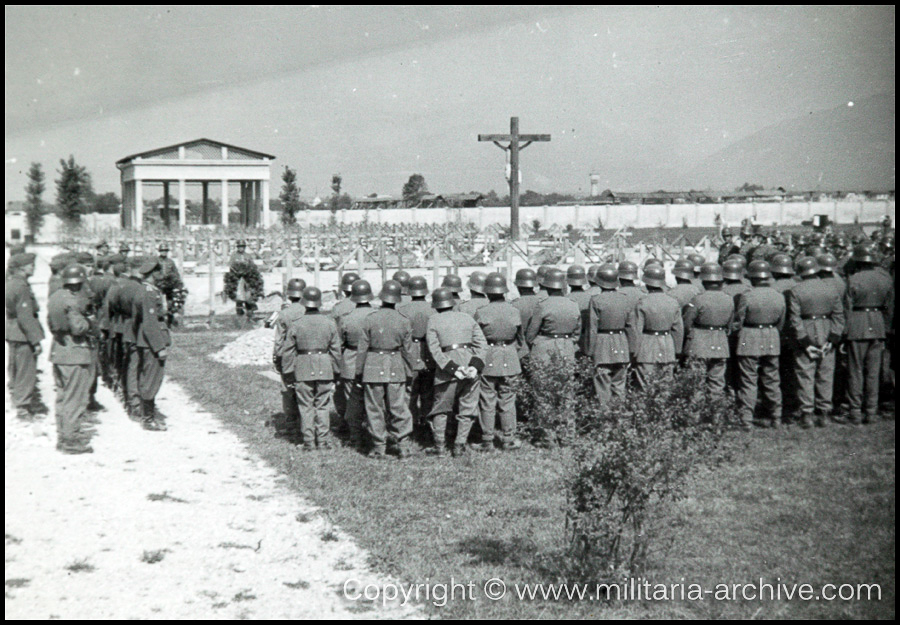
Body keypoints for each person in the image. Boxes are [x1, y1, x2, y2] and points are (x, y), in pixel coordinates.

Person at [425, 287, 487, 457]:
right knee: (467, 409)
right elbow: (481, 344)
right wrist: (474, 366)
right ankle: (459, 446)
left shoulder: (433, 320)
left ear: (436, 305)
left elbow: (434, 350)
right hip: (470, 367)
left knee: (441, 409)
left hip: (447, 370)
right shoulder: (467, 318)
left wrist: (453, 368)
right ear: (453, 303)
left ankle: (440, 447)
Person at [356, 280, 415, 459]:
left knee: (374, 409)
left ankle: (378, 447)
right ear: (397, 299)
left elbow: (362, 349)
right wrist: (409, 372)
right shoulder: (404, 321)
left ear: (381, 297)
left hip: (373, 366)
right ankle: (403, 446)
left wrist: (359, 372)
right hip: (396, 366)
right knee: (399, 407)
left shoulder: (370, 319)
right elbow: (408, 351)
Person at [787, 257, 845, 428]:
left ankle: (807, 414)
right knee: (826, 374)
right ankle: (825, 413)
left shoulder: (796, 290)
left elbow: (794, 319)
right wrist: (832, 340)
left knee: (805, 374)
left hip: (806, 329)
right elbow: (839, 316)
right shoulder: (830, 288)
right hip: (827, 329)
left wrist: (805, 343)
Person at [284, 287, 341, 450]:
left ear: (304, 303)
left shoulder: (296, 324)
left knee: (306, 406)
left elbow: (288, 351)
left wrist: (288, 371)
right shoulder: (329, 323)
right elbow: (336, 350)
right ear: (319, 303)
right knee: (323, 405)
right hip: (325, 365)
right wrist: (337, 371)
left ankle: (309, 441)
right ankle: (322, 441)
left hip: (302, 367)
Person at [474, 273, 526, 452]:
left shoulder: (481, 312)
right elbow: (520, 340)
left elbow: (477, 339)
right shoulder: (514, 311)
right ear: (504, 291)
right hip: (510, 357)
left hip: (488, 358)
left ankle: (487, 440)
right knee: (508, 401)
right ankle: (509, 439)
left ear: (487, 292)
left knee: (487, 401)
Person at [843, 244, 894, 424]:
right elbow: (889, 307)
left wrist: (845, 331)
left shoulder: (853, 279)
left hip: (857, 324)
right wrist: (885, 328)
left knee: (855, 370)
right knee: (874, 371)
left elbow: (847, 308)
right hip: (878, 324)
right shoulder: (885, 278)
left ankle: (855, 410)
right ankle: (871, 410)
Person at [732, 261, 786, 429]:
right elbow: (781, 322)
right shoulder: (779, 295)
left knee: (748, 380)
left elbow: (739, 321)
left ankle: (747, 419)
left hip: (750, 337)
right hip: (771, 337)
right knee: (772, 379)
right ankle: (776, 416)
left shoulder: (747, 296)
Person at [47, 264, 94, 454]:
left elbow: (51, 323)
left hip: (59, 350)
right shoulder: (72, 301)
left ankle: (63, 435)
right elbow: (78, 328)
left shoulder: (55, 297)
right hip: (74, 352)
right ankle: (71, 440)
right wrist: (89, 322)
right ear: (79, 283)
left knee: (62, 396)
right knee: (75, 398)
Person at [336, 279, 377, 450]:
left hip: (351, 359)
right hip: (373, 359)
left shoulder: (347, 318)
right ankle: (375, 436)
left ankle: (355, 438)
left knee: (352, 401)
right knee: (374, 401)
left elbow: (339, 343)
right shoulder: (376, 315)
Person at [683, 263, 734, 394]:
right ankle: (716, 413)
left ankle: (696, 413)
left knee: (696, 383)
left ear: (704, 281)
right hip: (720, 342)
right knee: (717, 383)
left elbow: (687, 322)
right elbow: (730, 325)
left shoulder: (698, 299)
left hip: (699, 343)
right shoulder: (729, 299)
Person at [629, 265, 683, 389]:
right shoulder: (673, 302)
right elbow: (678, 330)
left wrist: (634, 353)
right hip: (667, 347)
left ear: (647, 283)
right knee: (665, 387)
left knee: (646, 387)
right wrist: (677, 351)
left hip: (647, 347)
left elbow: (637, 330)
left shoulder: (643, 302)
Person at [133, 259, 171, 431]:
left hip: (145, 341)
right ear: (153, 273)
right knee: (151, 379)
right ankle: (148, 419)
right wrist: (159, 347)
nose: (161, 275)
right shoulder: (149, 293)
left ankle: (147, 414)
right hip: (151, 344)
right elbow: (150, 324)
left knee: (147, 377)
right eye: (158, 272)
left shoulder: (145, 290)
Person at [6, 253, 44, 420]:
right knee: (26, 372)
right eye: (30, 265)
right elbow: (26, 316)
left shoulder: (11, 283)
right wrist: (35, 340)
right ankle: (22, 408)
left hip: (13, 331)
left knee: (15, 368)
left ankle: (16, 398)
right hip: (22, 334)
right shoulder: (21, 287)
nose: (33, 267)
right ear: (21, 268)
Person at [587, 263, 633, 403]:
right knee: (619, 387)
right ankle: (619, 418)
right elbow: (631, 327)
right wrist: (630, 350)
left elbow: (592, 328)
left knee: (602, 388)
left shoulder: (596, 300)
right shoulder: (626, 299)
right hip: (621, 344)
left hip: (602, 346)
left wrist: (590, 351)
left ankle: (605, 419)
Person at [397, 276, 435, 436]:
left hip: (409, 350)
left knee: (409, 393)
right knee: (428, 392)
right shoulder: (433, 308)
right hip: (429, 350)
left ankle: (409, 425)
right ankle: (427, 423)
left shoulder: (402, 309)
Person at [525, 268, 581, 369]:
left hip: (545, 348)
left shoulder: (542, 305)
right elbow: (577, 332)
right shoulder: (573, 304)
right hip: (567, 347)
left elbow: (531, 333)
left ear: (546, 286)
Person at [272, 278, 306, 437]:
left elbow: (279, 341)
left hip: (288, 357)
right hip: (306, 356)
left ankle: (291, 423)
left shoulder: (284, 314)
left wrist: (277, 359)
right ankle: (307, 423)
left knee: (287, 390)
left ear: (289, 295)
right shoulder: (309, 310)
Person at [566, 265, 593, 355]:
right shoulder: (591, 298)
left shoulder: (566, 299)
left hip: (571, 342)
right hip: (588, 340)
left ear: (568, 282)